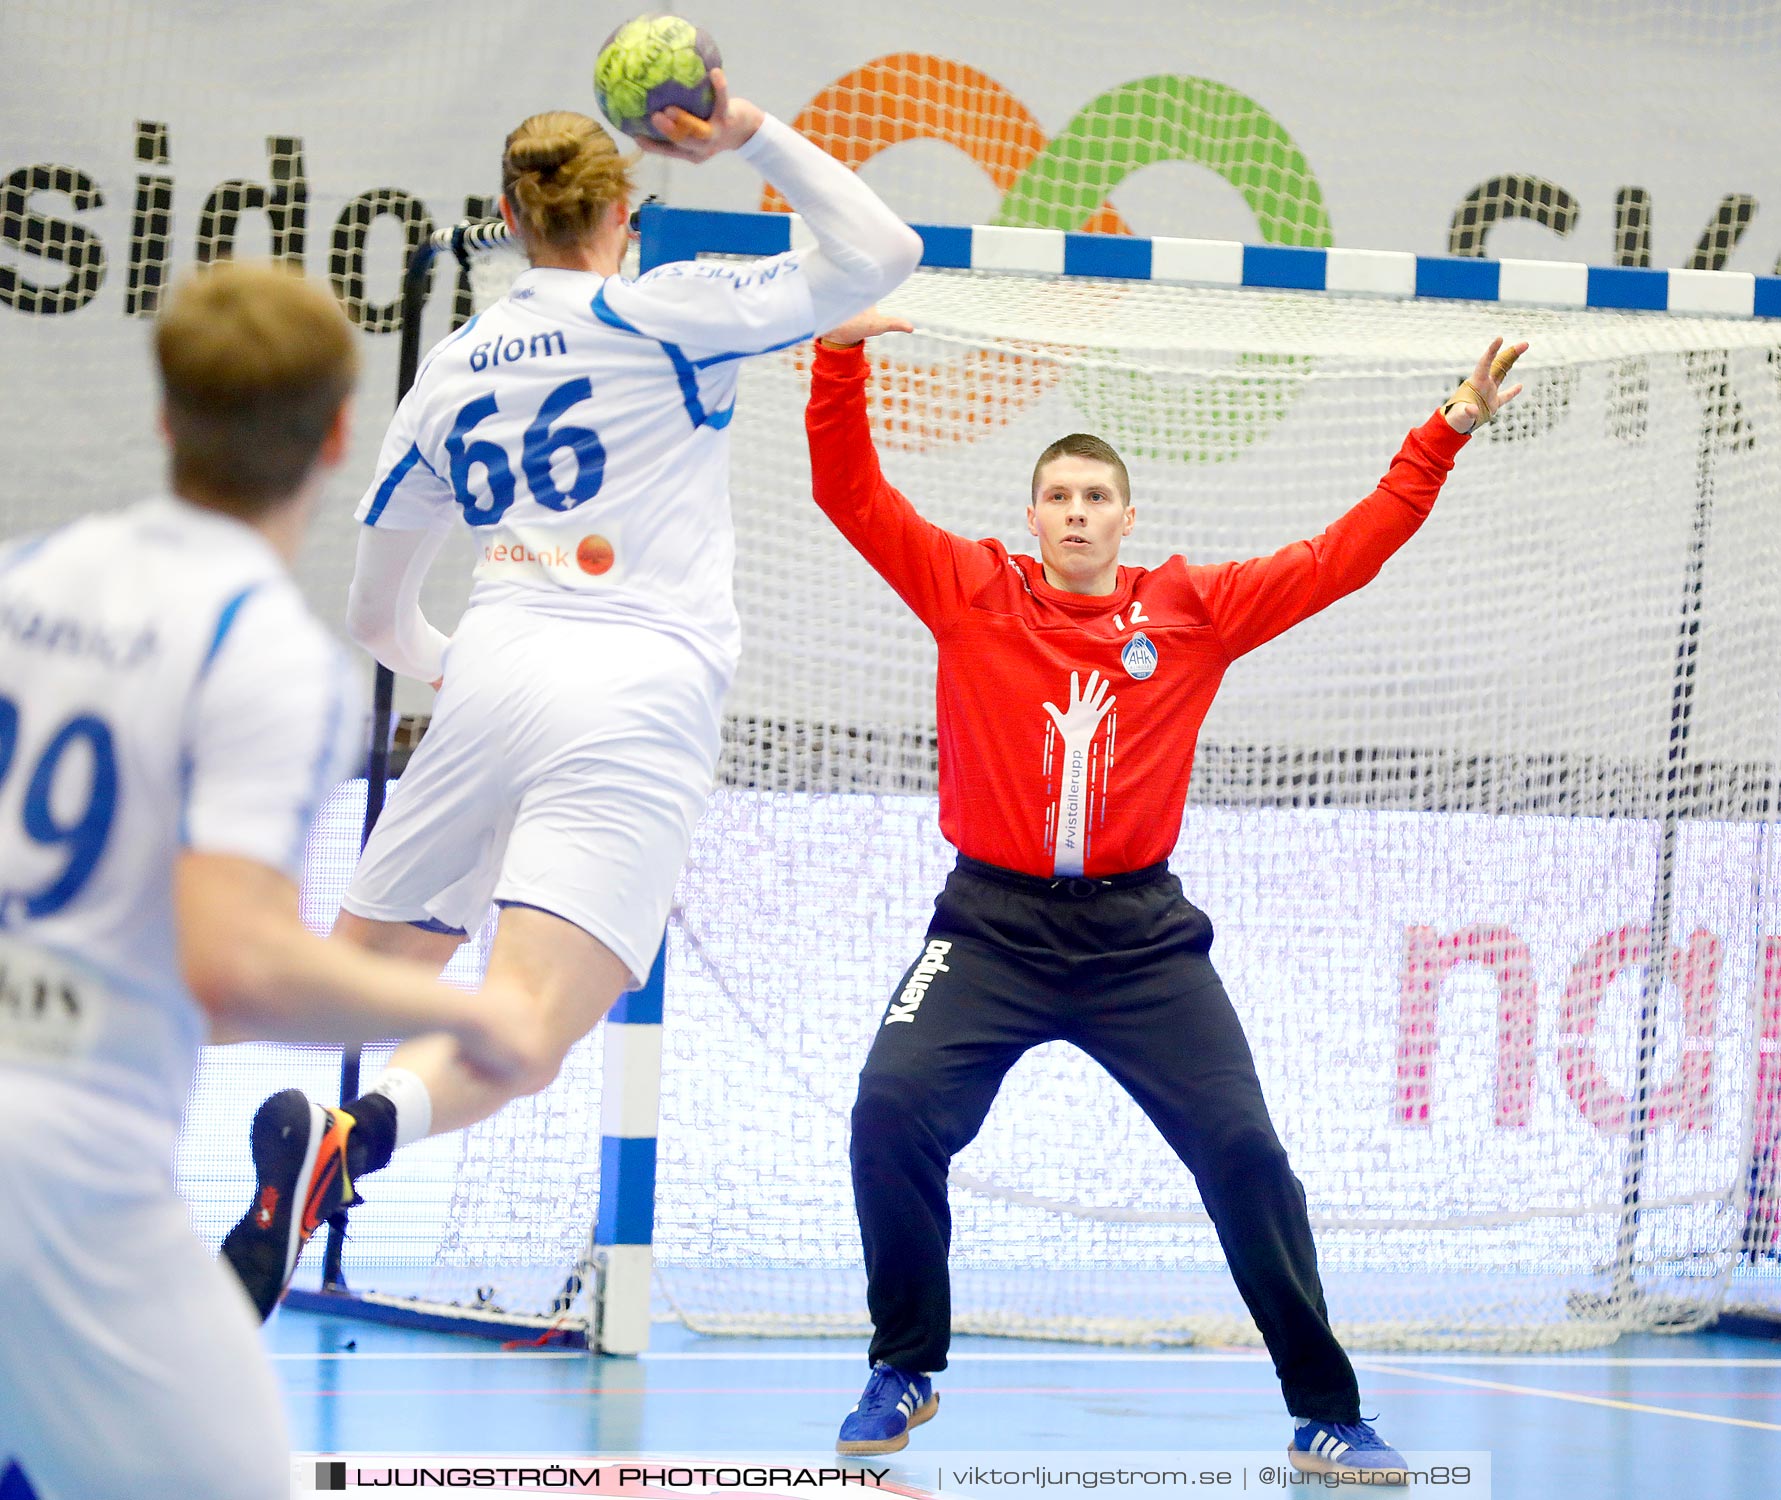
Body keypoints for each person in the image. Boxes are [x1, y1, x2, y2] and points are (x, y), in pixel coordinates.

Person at [220, 79, 923, 1319]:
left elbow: (377, 621)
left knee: (322, 980)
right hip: (636, 690)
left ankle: (55, 1040)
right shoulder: (671, 313)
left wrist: (480, 663)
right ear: (627, 211)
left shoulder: (448, 370)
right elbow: (882, 251)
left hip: (490, 669)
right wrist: (745, 129)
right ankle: (351, 1141)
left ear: (507, 216)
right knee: (528, 1031)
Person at [806, 309, 1526, 1473]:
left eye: (1097, 496)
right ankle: (903, 1366)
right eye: (1058, 496)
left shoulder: (1189, 610)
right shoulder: (967, 588)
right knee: (889, 1108)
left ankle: (1324, 1410)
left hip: (1140, 941)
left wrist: (1443, 428)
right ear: (1031, 518)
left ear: (1127, 519)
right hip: (988, 927)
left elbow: (1340, 556)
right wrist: (839, 355)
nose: (1078, 513)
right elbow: (849, 492)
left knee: (1243, 1150)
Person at [0, 261, 543, 1500]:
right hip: (65, 1173)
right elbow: (234, 970)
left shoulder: (22, 577)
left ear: (163, 413)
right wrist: (471, 1012)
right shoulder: (259, 651)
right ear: (342, 434)